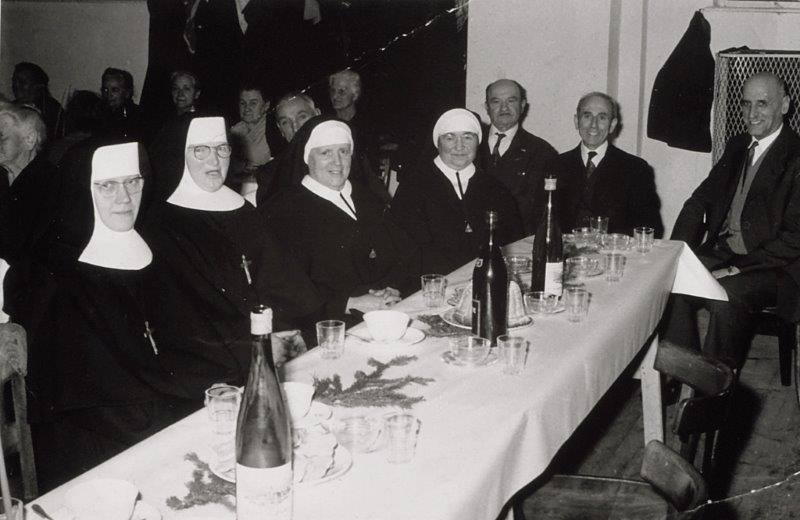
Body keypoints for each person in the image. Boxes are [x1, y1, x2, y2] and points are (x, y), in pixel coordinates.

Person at [26, 142, 190, 490]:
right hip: (98, 445)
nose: (125, 198)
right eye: (107, 186)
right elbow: (86, 393)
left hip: (157, 414)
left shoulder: (153, 250)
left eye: (133, 182)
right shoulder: (58, 275)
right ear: (83, 190)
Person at [143, 117, 321, 398]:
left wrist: (287, 330)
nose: (214, 160)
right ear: (179, 155)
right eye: (200, 150)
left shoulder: (242, 210)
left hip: (271, 343)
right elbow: (185, 320)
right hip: (216, 368)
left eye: (221, 149)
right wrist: (255, 345)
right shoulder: (161, 225)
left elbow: (281, 281)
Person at [663, 72, 800, 369]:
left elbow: (794, 239)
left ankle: (714, 389)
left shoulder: (796, 155)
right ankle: (684, 371)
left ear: (785, 105)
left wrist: (738, 267)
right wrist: (677, 252)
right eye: (746, 104)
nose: (752, 114)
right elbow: (699, 201)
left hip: (777, 268)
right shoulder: (738, 144)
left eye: (762, 103)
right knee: (673, 279)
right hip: (728, 252)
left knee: (726, 296)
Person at [264, 117, 418, 324]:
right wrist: (349, 303)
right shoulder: (283, 211)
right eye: (325, 153)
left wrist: (393, 287)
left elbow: (405, 254)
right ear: (307, 157)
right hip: (329, 322)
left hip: (388, 308)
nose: (337, 162)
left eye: (343, 151)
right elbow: (285, 288)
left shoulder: (368, 197)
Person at [390, 108, 523, 274]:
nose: (460, 146)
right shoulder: (413, 187)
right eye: (450, 137)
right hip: (431, 282)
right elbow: (405, 252)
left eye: (468, 137)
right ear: (438, 142)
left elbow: (513, 243)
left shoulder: (495, 188)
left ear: (478, 141)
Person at [552, 92, 664, 237]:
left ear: (612, 125)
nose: (593, 125)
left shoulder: (636, 169)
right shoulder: (556, 165)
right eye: (587, 116)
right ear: (576, 121)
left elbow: (650, 227)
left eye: (602, 117)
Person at [0, 105, 59, 324]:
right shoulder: (4, 177)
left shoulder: (49, 183)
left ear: (30, 139)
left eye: (1, 136)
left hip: (23, 300)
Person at [479, 79, 558, 234]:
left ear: (522, 105)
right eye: (496, 101)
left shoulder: (542, 152)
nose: (504, 108)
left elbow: (543, 214)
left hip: (518, 241)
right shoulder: (468, 145)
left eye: (511, 101)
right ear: (487, 107)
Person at [148, 70, 206, 201]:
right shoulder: (166, 119)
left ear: (197, 93)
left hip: (183, 189)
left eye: (186, 89)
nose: (180, 93)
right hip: (161, 187)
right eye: (176, 89)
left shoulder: (199, 122)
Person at [254, 92, 321, 206]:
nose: (295, 127)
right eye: (285, 122)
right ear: (280, 129)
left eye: (302, 117)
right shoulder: (270, 175)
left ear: (318, 115)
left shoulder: (344, 155)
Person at [229, 83, 273, 199]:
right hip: (237, 191)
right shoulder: (234, 131)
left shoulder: (273, 129)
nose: (247, 108)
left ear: (266, 106)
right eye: (243, 103)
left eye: (253, 103)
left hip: (265, 191)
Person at [11, 62, 64, 142]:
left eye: (22, 82)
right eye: (14, 81)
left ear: (37, 86)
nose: (16, 85)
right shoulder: (10, 107)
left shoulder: (52, 109)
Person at [98, 67, 143, 142]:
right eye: (105, 90)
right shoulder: (98, 112)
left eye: (114, 90)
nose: (109, 94)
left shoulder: (137, 116)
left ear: (127, 93)